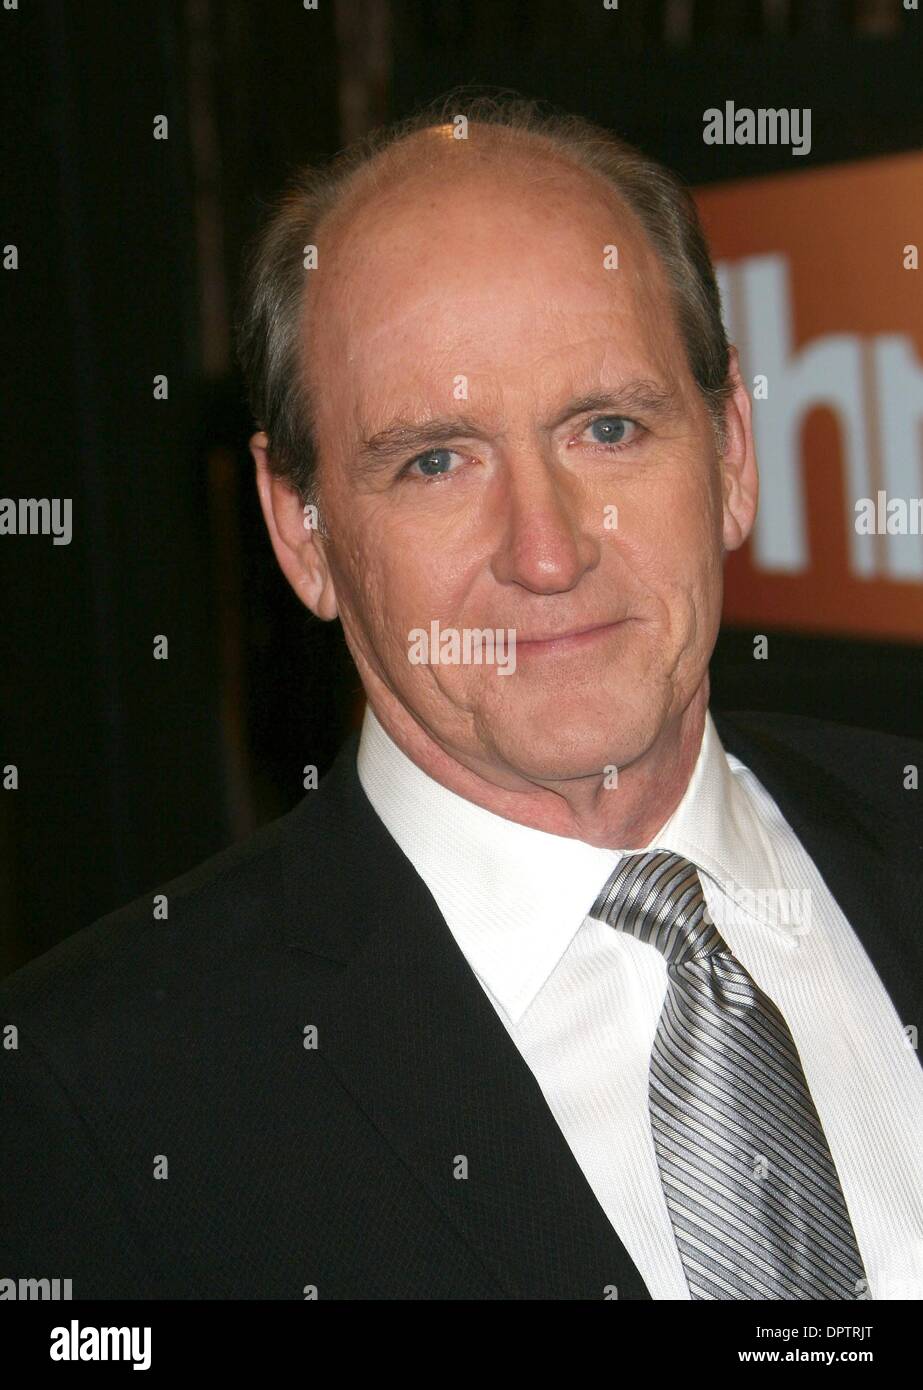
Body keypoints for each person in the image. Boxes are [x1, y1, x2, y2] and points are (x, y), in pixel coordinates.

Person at [2, 93, 921, 1301]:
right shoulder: (90, 1104)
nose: (546, 550)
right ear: (303, 530)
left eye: (605, 427)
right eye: (435, 460)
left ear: (731, 453)